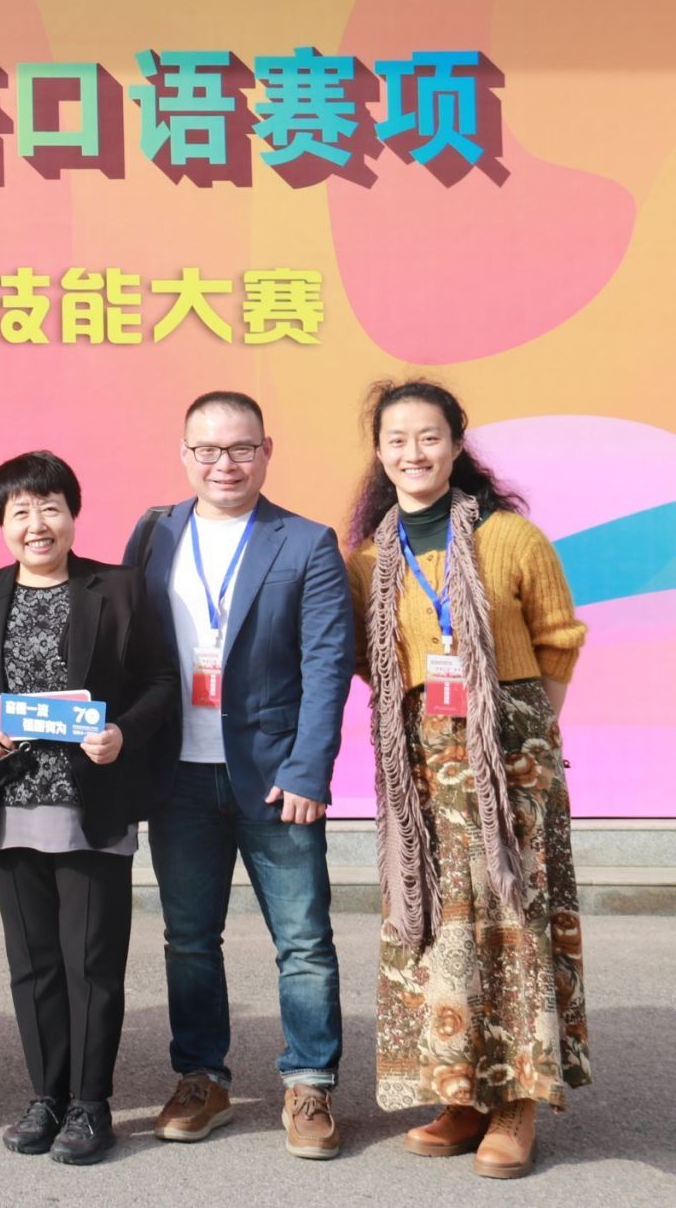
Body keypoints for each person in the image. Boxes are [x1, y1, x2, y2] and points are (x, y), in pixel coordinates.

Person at [344, 379, 589, 1181]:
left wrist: (516, 736)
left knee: (512, 919)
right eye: (396, 440)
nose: (412, 452)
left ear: (456, 443)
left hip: (508, 758)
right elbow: (368, 661)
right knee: (440, 924)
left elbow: (558, 641)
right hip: (418, 764)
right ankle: (461, 1093)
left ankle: (517, 1099)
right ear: (379, 453)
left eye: (428, 437)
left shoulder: (511, 537)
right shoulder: (368, 561)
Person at [122, 391, 353, 1159]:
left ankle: (310, 1082)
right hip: (178, 775)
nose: (225, 463)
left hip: (275, 777)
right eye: (208, 449)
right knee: (189, 938)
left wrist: (310, 768)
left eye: (241, 448)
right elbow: (126, 644)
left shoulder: (306, 542)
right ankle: (202, 1078)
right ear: (185, 454)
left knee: (303, 940)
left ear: (266, 451)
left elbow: (327, 664)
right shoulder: (154, 532)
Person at [0, 451, 175, 1166]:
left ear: (73, 514)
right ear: (1, 522)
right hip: (11, 803)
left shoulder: (119, 588)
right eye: (20, 511)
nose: (37, 524)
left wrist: (123, 733)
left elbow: (160, 679)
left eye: (50, 507)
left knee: (91, 963)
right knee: (33, 965)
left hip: (91, 804)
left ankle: (91, 1101)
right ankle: (46, 1096)